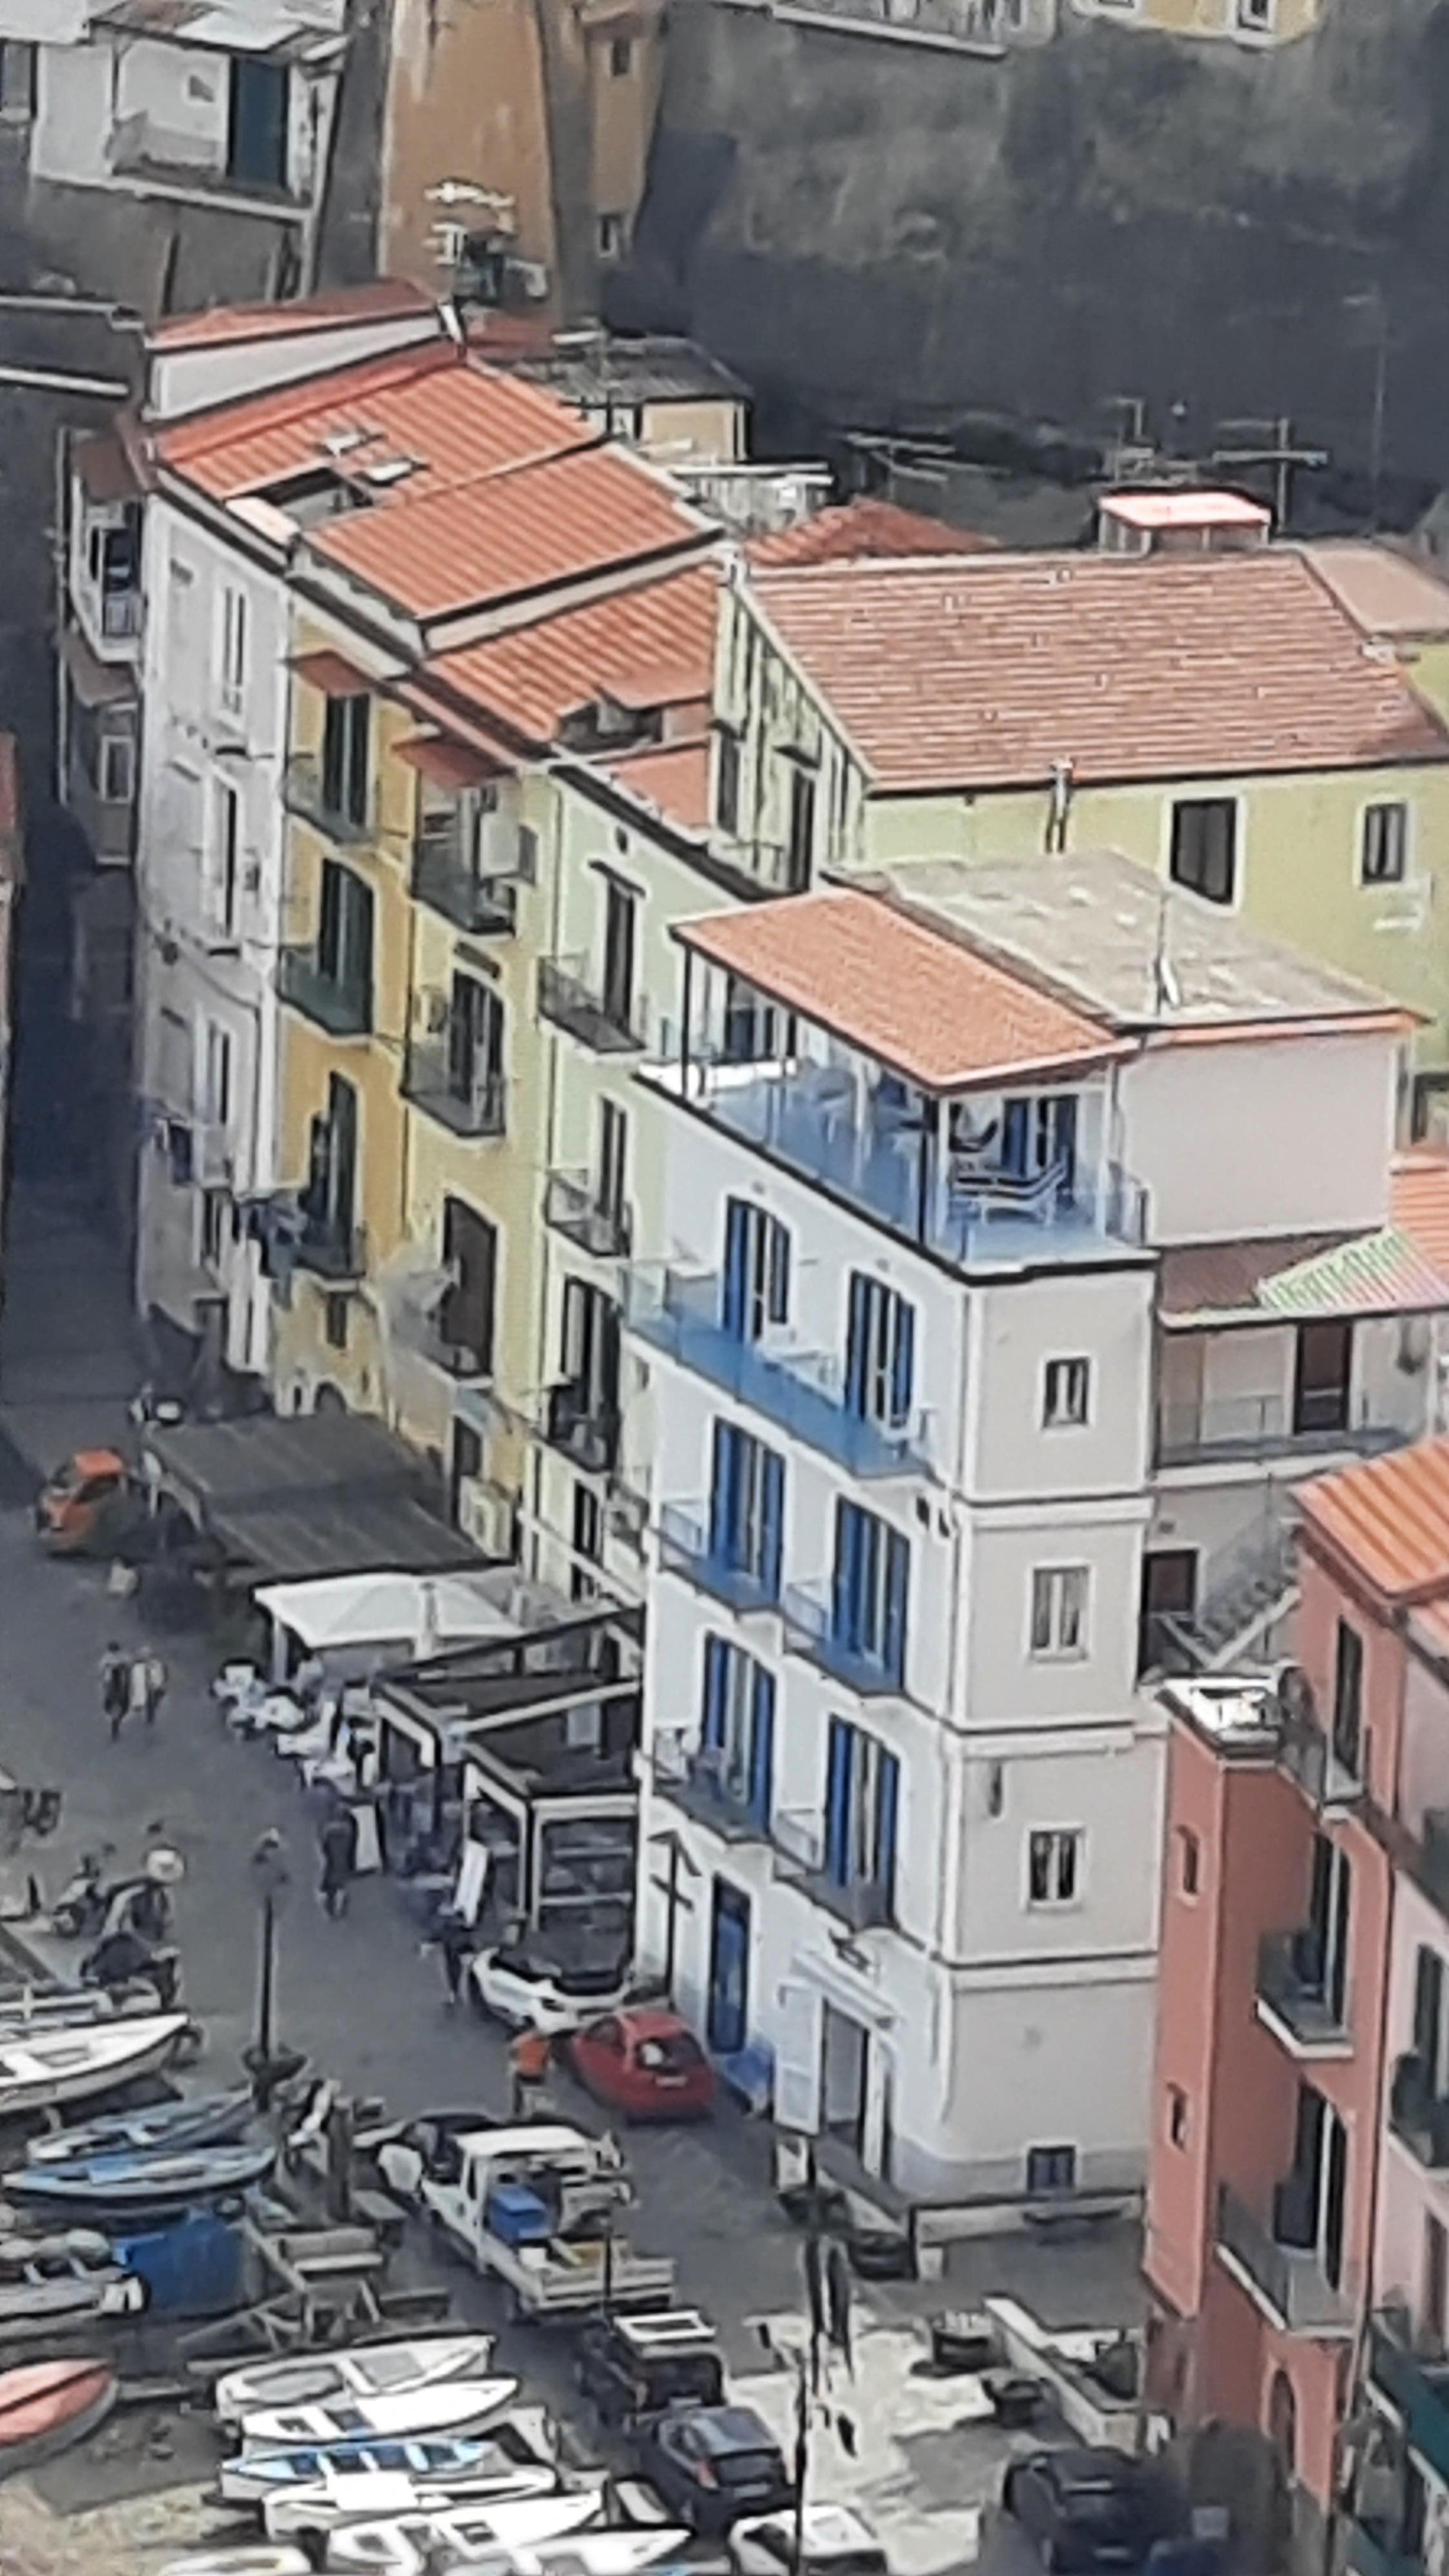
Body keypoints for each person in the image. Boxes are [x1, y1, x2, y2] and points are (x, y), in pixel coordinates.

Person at [430, 1909, 475, 2009]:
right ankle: (455, 1996)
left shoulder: (453, 1931)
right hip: (453, 1956)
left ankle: (455, 1996)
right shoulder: (459, 1931)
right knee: (455, 1975)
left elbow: (438, 1937)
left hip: (454, 1956)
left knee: (456, 1975)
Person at [318, 1806, 357, 1919]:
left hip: (331, 1861)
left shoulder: (328, 1829)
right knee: (341, 1885)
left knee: (331, 1886)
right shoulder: (348, 1829)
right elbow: (352, 1845)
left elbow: (324, 1845)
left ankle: (331, 1909)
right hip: (343, 1861)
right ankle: (341, 1908)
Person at [100, 1643, 128, 1742]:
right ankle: (115, 1729)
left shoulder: (117, 1658)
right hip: (115, 1688)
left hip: (117, 1687)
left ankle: (115, 1728)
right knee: (116, 1705)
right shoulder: (109, 1659)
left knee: (116, 1705)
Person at [142, 1648, 167, 1728]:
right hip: (152, 1687)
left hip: (156, 1686)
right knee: (150, 1702)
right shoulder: (157, 1664)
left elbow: (165, 1675)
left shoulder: (158, 1664)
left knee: (153, 1701)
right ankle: (150, 1716)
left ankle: (151, 1713)